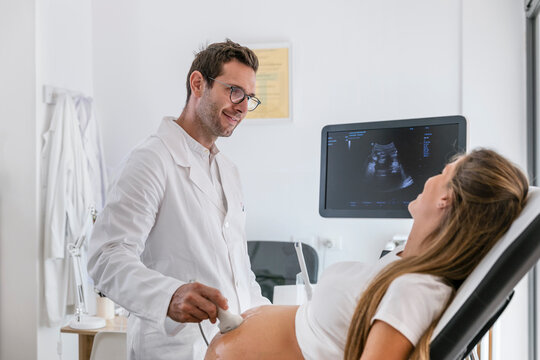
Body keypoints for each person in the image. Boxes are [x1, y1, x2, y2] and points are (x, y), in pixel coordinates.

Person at [204, 149, 529, 360]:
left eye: (442, 172)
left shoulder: (416, 289)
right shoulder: (407, 262)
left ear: (446, 198)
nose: (429, 179)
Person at [87, 39, 270, 360]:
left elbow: (239, 271)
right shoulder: (150, 159)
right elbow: (106, 257)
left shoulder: (229, 171)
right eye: (234, 91)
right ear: (198, 83)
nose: (242, 106)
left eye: (249, 97)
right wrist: (168, 295)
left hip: (232, 347)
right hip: (175, 348)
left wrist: (272, 318)